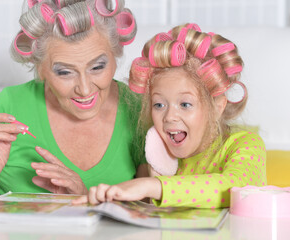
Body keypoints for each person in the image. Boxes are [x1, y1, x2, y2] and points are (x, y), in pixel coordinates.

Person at [0, 0, 148, 198]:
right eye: (64, 72)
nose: (85, 88)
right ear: (40, 69)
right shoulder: (8, 105)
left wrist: (83, 197)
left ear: (116, 55)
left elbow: (151, 208)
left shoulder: (139, 109)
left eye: (97, 67)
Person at [73, 23, 267, 208]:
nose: (170, 117)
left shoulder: (245, 144)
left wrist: (153, 186)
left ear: (217, 107)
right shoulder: (160, 157)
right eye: (159, 104)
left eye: (185, 104)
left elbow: (233, 188)